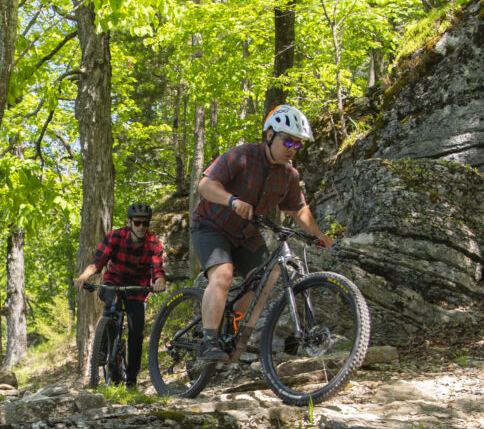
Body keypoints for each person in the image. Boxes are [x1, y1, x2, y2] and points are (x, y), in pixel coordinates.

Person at [192, 104, 331, 361]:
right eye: (288, 141)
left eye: (297, 145)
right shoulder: (242, 155)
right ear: (270, 135)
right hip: (212, 225)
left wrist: (319, 234)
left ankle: (232, 328)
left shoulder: (289, 176)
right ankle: (209, 340)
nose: (292, 149)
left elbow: (298, 209)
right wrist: (232, 200)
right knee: (223, 275)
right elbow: (205, 185)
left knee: (264, 278)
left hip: (247, 234)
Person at [74, 202, 169, 385]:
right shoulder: (115, 237)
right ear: (129, 222)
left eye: (145, 223)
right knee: (111, 304)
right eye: (137, 223)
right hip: (114, 281)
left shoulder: (154, 244)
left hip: (137, 288)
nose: (141, 227)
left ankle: (131, 379)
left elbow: (158, 270)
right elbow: (97, 262)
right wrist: (84, 277)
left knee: (136, 333)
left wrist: (159, 281)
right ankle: (102, 349)